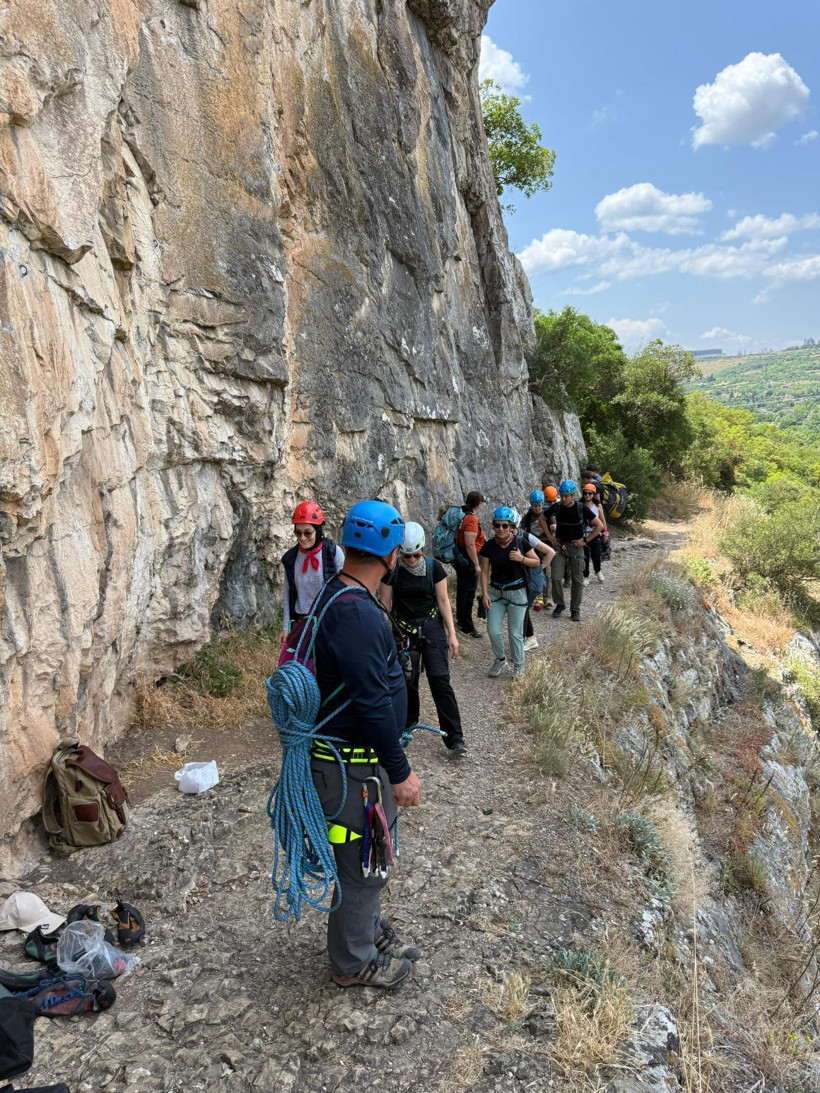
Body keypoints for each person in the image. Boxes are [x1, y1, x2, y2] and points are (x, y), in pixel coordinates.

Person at [310, 500, 423, 989]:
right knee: (361, 858)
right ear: (391, 554)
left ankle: (366, 930)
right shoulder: (358, 614)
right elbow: (373, 704)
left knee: (369, 855)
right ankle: (353, 962)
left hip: (349, 763)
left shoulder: (341, 594)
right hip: (354, 768)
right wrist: (399, 771)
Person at [380, 522, 466, 757]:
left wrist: (452, 634)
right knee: (407, 681)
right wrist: (383, 638)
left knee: (440, 681)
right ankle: (407, 723)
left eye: (415, 554)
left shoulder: (434, 568)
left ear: (422, 550)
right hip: (403, 629)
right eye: (406, 555)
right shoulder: (392, 574)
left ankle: (455, 737)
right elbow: (385, 608)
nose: (411, 559)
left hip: (431, 628)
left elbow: (443, 601)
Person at [480, 506, 541, 680]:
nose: (500, 529)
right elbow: (484, 571)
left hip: (517, 593)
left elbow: (536, 562)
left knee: (515, 633)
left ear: (511, 526)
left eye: (505, 525)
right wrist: (484, 594)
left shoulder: (520, 542)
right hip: (495, 593)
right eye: (497, 525)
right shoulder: (489, 546)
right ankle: (500, 659)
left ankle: (519, 665)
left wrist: (521, 558)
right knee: (493, 630)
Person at [278, 501, 345, 647]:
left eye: (308, 532)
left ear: (318, 530)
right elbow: (287, 592)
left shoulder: (334, 553)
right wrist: (285, 628)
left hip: (328, 623)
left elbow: (344, 590)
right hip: (301, 624)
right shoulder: (291, 558)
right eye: (298, 532)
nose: (302, 537)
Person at [546, 481, 604, 622]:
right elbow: (543, 518)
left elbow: (599, 525)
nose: (564, 498)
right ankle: (560, 604)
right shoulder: (557, 507)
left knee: (577, 581)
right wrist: (549, 536)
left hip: (576, 548)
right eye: (563, 495)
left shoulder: (581, 508)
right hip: (560, 545)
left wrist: (584, 541)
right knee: (556, 577)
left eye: (567, 496)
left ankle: (575, 610)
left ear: (572, 495)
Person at [519, 491, 557, 649]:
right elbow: (523, 527)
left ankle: (546, 599)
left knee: (544, 574)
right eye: (535, 506)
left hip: (543, 545)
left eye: (540, 505)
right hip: (532, 547)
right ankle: (536, 596)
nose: (537, 508)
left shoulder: (548, 513)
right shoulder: (528, 515)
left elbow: (553, 526)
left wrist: (541, 566)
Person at [454, 490, 486, 638]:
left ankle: (462, 620)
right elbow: (470, 544)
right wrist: (476, 564)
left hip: (461, 558)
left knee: (463, 590)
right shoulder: (471, 520)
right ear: (478, 504)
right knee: (468, 593)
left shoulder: (461, 515)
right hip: (468, 560)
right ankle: (466, 625)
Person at [581, 482, 605, 584]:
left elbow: (602, 521)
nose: (587, 495)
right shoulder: (580, 505)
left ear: (593, 494)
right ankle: (585, 575)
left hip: (595, 533)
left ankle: (598, 570)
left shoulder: (598, 506)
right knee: (584, 556)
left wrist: (605, 533)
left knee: (596, 554)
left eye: (590, 493)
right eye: (586, 493)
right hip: (583, 534)